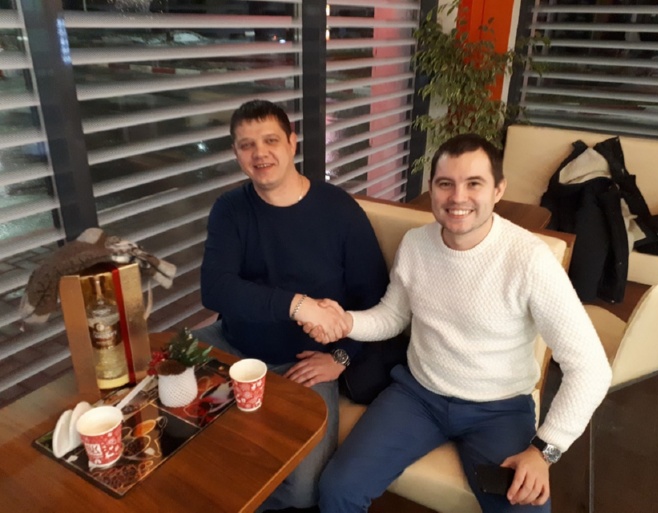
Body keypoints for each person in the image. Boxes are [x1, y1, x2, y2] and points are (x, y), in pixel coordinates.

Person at [308, 134, 612, 512]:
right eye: (445, 184)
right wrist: (344, 322)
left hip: (499, 410)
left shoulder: (529, 259)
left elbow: (591, 367)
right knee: (338, 489)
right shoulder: (416, 244)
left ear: (498, 190)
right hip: (417, 396)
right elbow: (393, 316)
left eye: (474, 183)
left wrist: (544, 451)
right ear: (432, 188)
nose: (458, 197)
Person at [195, 100, 388, 511]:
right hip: (232, 344)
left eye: (270, 141)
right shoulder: (230, 209)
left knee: (303, 490)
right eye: (247, 145)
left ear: (292, 143)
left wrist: (341, 356)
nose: (259, 153)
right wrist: (296, 304)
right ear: (235, 153)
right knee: (163, 381)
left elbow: (375, 297)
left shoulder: (339, 210)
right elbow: (215, 289)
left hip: (304, 364)